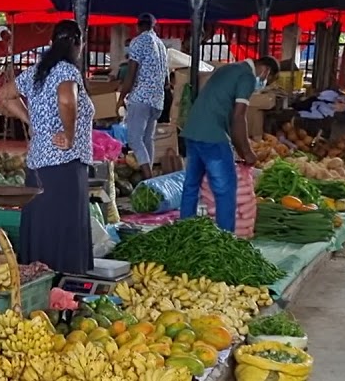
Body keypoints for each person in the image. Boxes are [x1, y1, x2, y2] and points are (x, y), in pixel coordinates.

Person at [0, 20, 95, 275]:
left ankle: (39, 277)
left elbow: (5, 95)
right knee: (64, 225)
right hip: (64, 165)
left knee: (42, 224)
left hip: (38, 164)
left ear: (52, 43)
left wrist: (31, 120)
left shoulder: (38, 71)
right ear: (77, 44)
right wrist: (69, 135)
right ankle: (64, 279)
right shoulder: (66, 71)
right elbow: (66, 98)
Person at [180, 56, 279, 233]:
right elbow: (238, 117)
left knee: (191, 186)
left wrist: (239, 147)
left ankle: (185, 230)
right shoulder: (247, 76)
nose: (263, 82)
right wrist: (246, 152)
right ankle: (226, 238)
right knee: (225, 189)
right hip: (212, 135)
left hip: (193, 130)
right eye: (267, 79)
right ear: (265, 71)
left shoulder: (229, 68)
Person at [118, 12, 169, 180]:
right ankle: (151, 180)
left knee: (134, 139)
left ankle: (148, 176)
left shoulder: (138, 41)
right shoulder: (161, 45)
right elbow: (167, 80)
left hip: (141, 98)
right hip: (157, 100)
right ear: (155, 26)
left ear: (138, 26)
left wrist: (121, 98)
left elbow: (131, 74)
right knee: (148, 140)